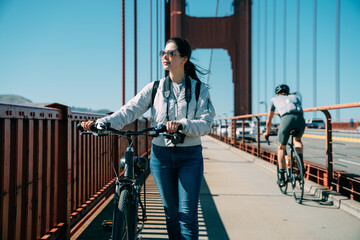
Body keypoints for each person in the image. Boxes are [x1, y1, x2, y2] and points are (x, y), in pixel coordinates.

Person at [81, 37, 215, 240]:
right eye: (163, 53)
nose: (165, 57)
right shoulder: (155, 88)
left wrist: (182, 124)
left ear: (183, 59)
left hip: (190, 156)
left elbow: (206, 124)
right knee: (171, 215)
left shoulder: (199, 89)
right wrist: (104, 123)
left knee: (187, 216)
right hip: (161, 156)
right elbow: (129, 110)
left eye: (171, 53)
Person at [263, 84, 305, 186]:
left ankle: (282, 178)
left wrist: (267, 132)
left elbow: (269, 120)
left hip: (286, 119)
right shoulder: (295, 97)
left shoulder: (274, 99)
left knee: (281, 147)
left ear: (277, 93)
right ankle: (301, 166)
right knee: (297, 140)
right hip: (300, 119)